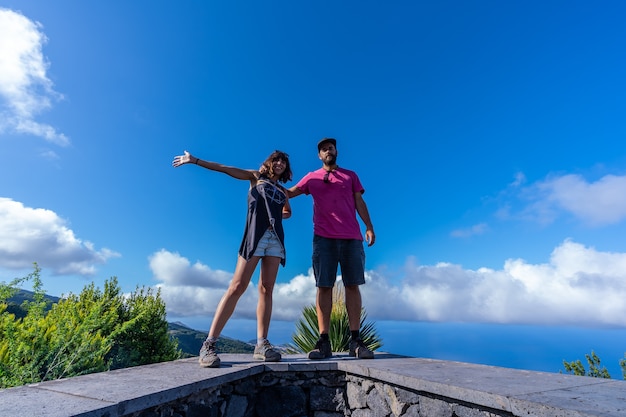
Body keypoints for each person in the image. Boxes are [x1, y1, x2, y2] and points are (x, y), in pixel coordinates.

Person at [172, 149, 292, 368]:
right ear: (269, 162)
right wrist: (195, 160)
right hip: (255, 237)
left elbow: (287, 211)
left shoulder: (282, 190)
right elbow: (225, 169)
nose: (279, 164)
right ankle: (208, 344)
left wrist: (277, 214)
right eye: (276, 160)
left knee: (267, 289)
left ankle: (261, 344)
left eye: (283, 162)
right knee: (237, 286)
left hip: (275, 241)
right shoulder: (256, 177)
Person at [287, 138, 376, 360]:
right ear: (319, 155)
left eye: (331, 147)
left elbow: (359, 202)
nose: (328, 150)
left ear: (336, 151)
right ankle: (323, 341)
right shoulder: (311, 177)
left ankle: (355, 341)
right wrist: (263, 183)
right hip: (323, 238)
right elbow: (289, 193)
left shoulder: (350, 176)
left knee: (352, 285)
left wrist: (369, 226)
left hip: (351, 237)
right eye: (324, 149)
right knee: (323, 286)